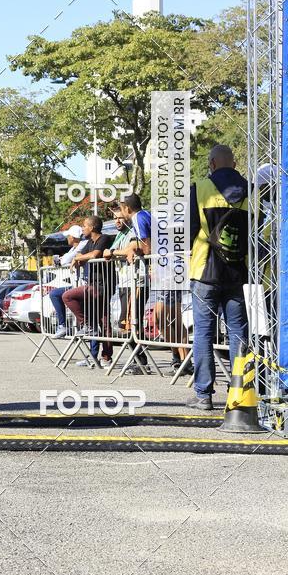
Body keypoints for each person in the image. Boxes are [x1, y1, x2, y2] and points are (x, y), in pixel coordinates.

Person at [188, 144, 249, 410]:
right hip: (237, 271)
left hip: (204, 271)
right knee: (238, 331)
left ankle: (204, 394)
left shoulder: (199, 189)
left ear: (212, 164)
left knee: (203, 332)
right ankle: (240, 391)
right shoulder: (250, 190)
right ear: (234, 165)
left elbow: (189, 229)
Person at [119, 193, 188, 374]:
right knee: (169, 319)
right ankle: (181, 359)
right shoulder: (146, 216)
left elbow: (147, 248)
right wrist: (132, 249)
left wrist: (134, 250)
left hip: (167, 272)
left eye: (120, 208)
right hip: (169, 271)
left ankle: (184, 360)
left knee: (163, 318)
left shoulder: (139, 218)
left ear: (126, 208)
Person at [103, 205, 150, 374]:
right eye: (114, 218)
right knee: (127, 324)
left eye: (119, 217)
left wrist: (113, 252)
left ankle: (142, 362)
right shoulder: (119, 235)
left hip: (136, 281)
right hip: (124, 282)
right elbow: (110, 253)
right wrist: (113, 252)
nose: (117, 221)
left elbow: (132, 248)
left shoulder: (132, 230)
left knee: (132, 323)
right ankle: (140, 361)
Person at [59, 216, 112, 365]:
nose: (83, 229)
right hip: (92, 284)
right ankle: (99, 355)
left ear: (93, 227)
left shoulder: (104, 238)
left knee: (67, 296)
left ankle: (88, 325)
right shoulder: (89, 242)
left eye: (84, 226)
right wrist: (78, 259)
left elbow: (95, 255)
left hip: (101, 286)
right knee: (103, 320)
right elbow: (80, 255)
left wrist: (79, 259)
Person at [50, 225, 85, 339]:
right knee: (55, 294)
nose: (67, 238)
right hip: (76, 284)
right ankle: (62, 325)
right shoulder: (73, 248)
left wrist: (62, 260)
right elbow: (65, 259)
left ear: (74, 237)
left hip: (83, 284)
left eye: (69, 236)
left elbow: (65, 260)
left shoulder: (82, 245)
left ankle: (94, 354)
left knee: (90, 319)